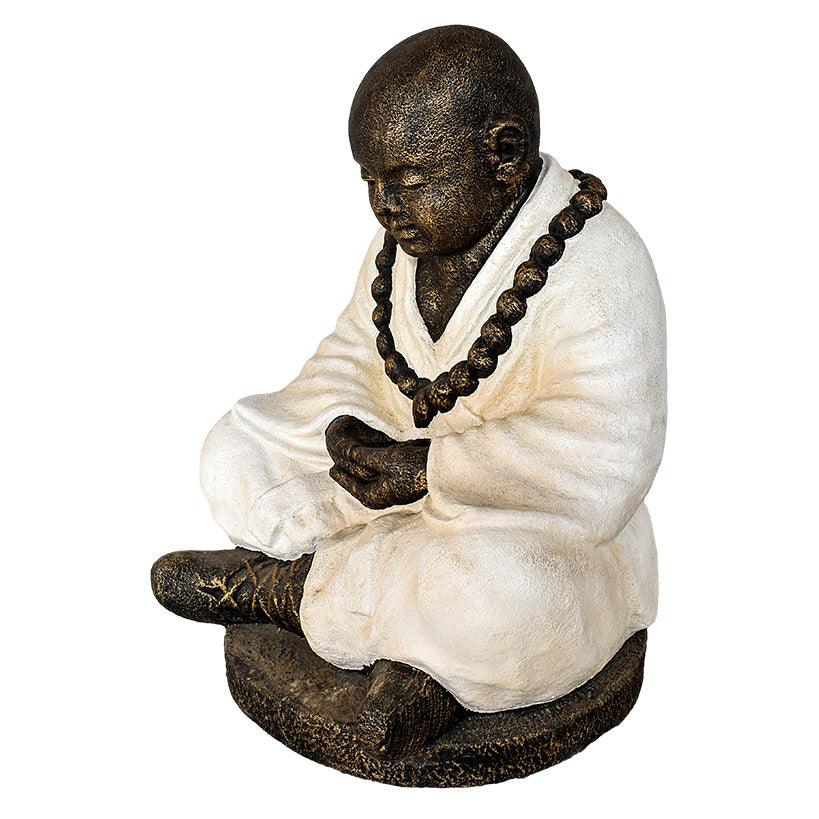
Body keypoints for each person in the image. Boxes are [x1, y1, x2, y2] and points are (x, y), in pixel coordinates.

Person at [152, 25, 666, 757]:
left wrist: (429, 470)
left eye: (410, 179)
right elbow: (356, 356)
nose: (384, 204)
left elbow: (608, 451)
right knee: (232, 451)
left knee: (503, 602)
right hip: (393, 489)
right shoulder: (399, 247)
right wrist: (342, 422)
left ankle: (284, 593)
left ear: (504, 155)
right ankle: (397, 633)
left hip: (528, 524)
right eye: (369, 181)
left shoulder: (601, 263)